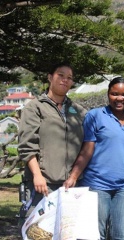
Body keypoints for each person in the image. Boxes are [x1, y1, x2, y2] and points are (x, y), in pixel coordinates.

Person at [63, 77, 124, 240]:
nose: (119, 98)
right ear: (108, 94)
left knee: (123, 235)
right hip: (97, 185)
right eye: (114, 94)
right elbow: (86, 151)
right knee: (95, 235)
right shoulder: (95, 116)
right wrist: (73, 177)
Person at [17, 62, 87, 226]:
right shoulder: (35, 107)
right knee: (40, 231)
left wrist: (75, 176)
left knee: (68, 231)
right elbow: (27, 146)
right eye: (60, 75)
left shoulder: (79, 111)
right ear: (50, 77)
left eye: (69, 78)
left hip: (72, 185)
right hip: (42, 184)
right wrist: (37, 175)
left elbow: (86, 145)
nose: (65, 80)